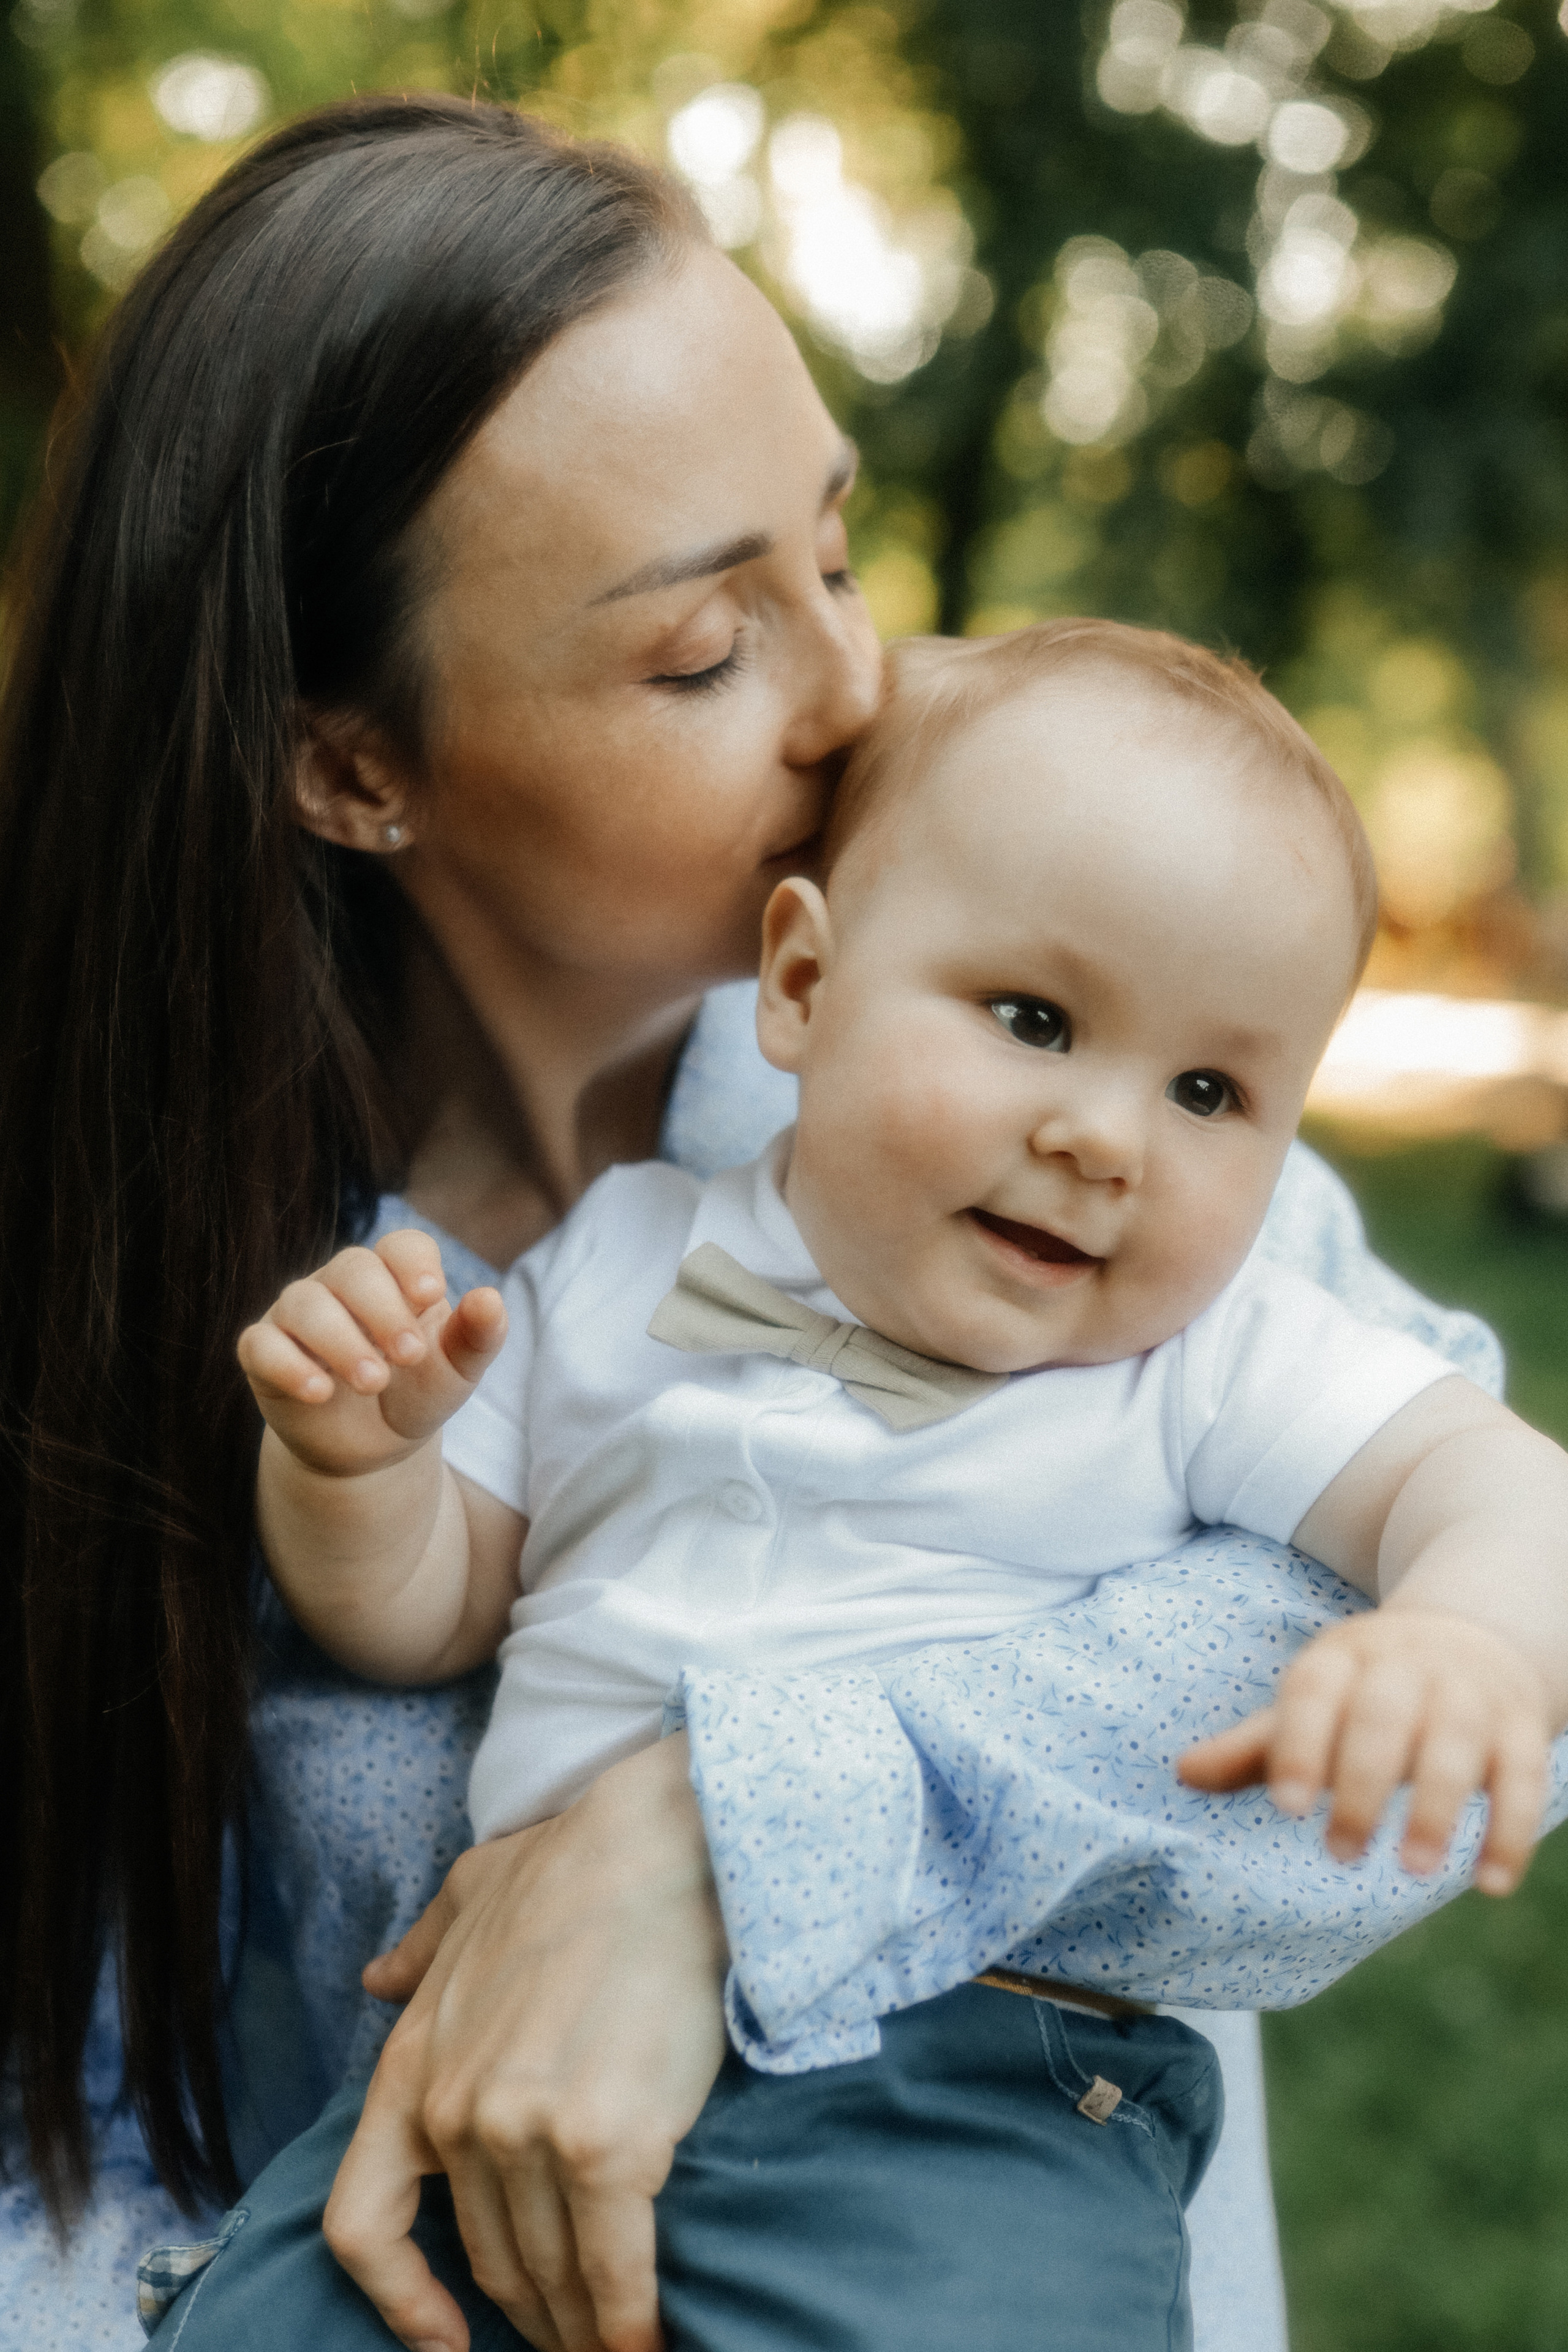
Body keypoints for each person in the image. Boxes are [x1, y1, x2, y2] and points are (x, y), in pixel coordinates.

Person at [0, 92, 1488, 2352]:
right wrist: (353, 1469)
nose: (862, 685)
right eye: (706, 652)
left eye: (840, 552)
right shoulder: (237, 1296)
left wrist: (719, 1835)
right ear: (354, 765)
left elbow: (1436, 1715)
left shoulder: (1072, 1154)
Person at [163, 620, 1564, 2352]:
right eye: (1036, 1019)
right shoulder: (619, 1261)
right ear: (806, 986)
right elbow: (425, 1607)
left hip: (950, 2084)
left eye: (1210, 1089)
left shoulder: (1208, 1355)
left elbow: (1500, 1485)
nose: (1107, 1136)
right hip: (497, 2056)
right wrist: (354, 1462)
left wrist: (1465, 1634)